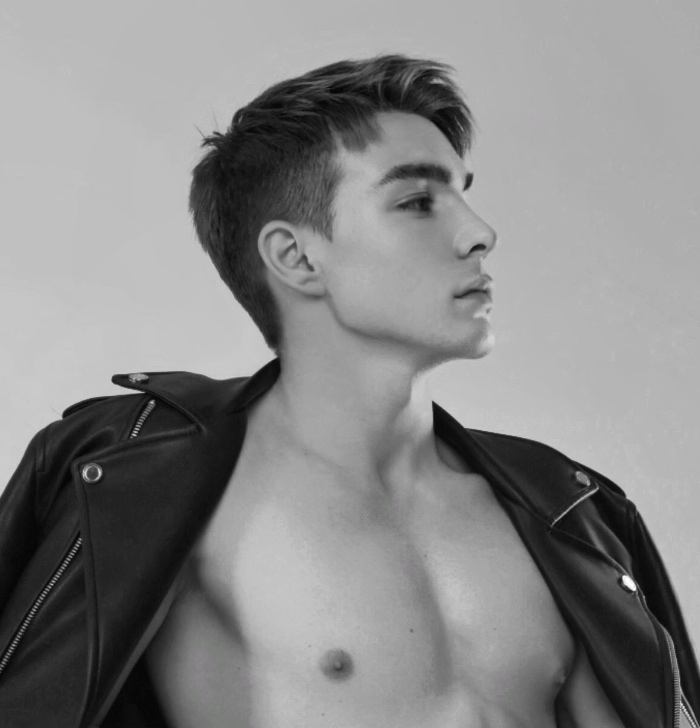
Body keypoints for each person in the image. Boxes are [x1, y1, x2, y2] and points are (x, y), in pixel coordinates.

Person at [0, 53, 698, 728]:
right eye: (419, 201)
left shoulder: (566, 508)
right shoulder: (148, 485)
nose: (480, 233)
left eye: (463, 194)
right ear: (297, 257)